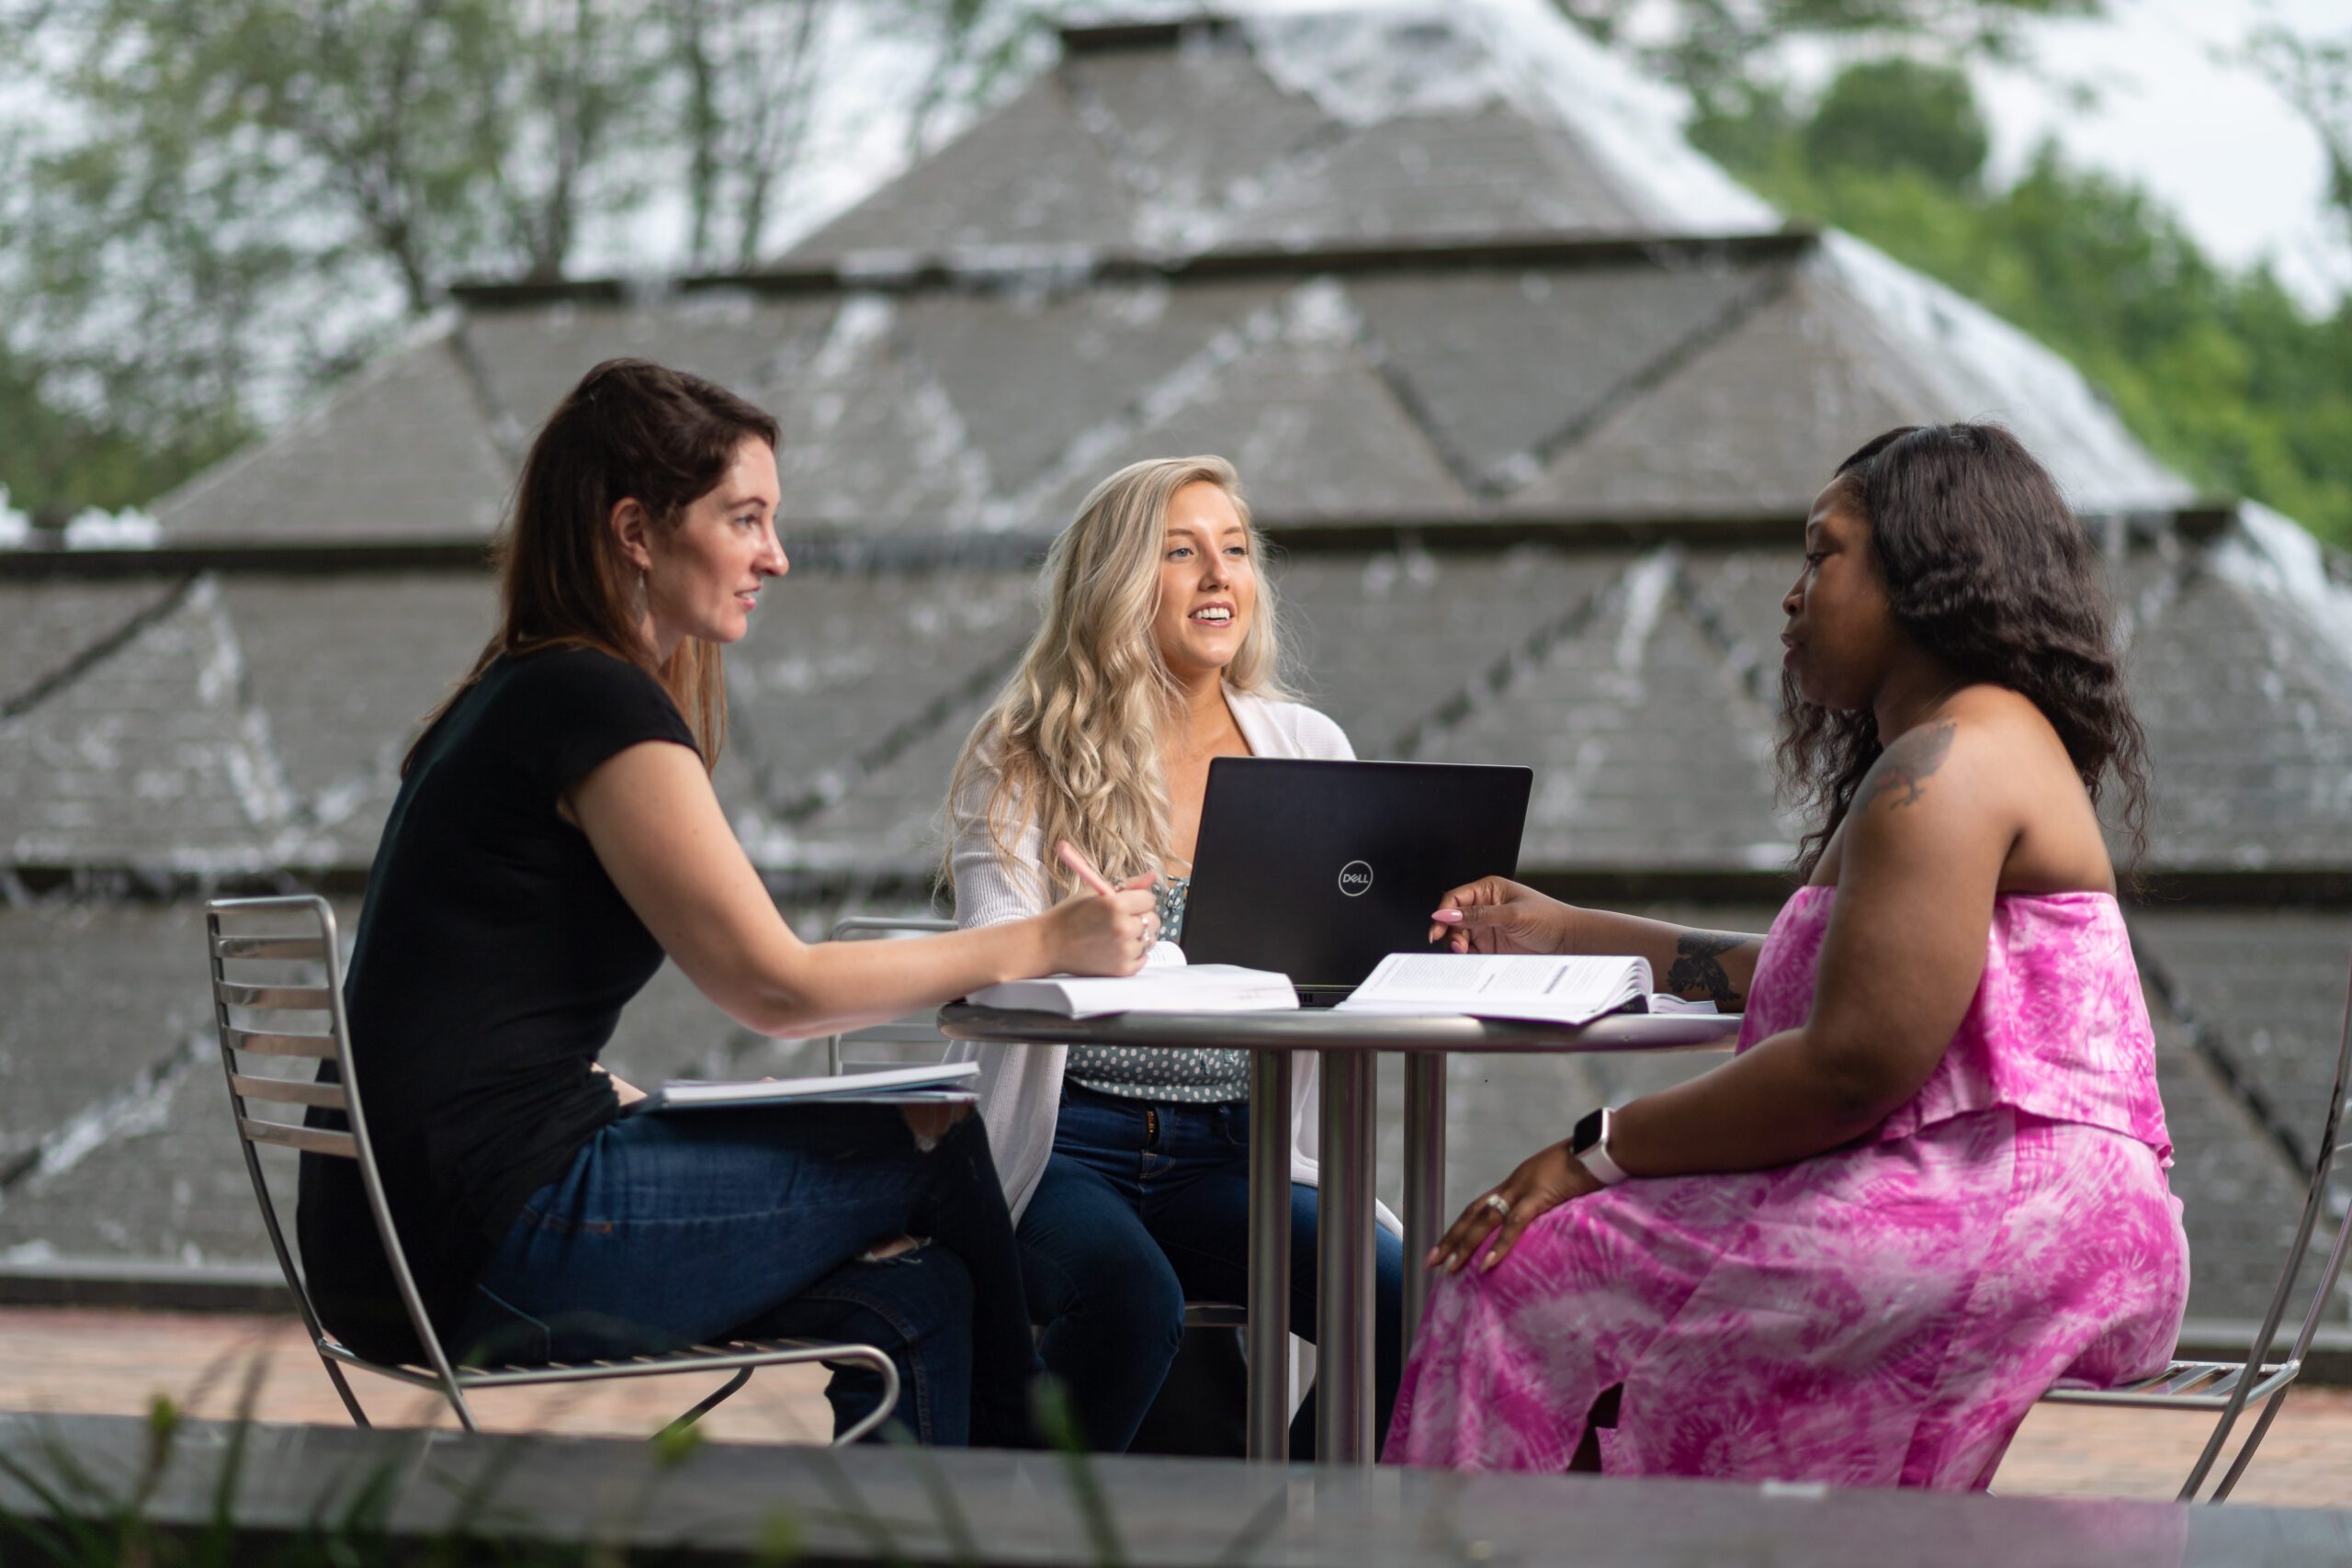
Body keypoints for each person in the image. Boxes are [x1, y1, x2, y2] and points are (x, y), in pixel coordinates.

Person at [295, 358, 1156, 1448]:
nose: (775, 557)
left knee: (919, 1299)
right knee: (936, 1139)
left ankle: (941, 1520)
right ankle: (1032, 1503)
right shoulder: (592, 704)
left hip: (383, 1248)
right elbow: (777, 989)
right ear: (637, 532)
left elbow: (470, 1017)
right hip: (486, 1246)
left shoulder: (508, 695)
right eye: (744, 518)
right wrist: (1043, 939)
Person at [1385, 423, 2188, 1490]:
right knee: (1570, 1281)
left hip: (1997, 1212)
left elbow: (1850, 1065)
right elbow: (1822, 978)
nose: (1792, 593)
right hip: (2024, 1207)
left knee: (1512, 1269)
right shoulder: (1964, 746)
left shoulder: (1945, 769)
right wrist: (1563, 929)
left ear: (1921, 572)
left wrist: (1589, 1150)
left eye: (1823, 553)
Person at [943, 455, 1406, 1457]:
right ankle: (1021, 1531)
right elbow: (995, 962)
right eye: (1180, 553)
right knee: (1128, 1302)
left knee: (1398, 1295)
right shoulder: (1019, 750)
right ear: (1115, 582)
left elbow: (1338, 966)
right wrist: (1077, 943)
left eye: (1235, 551)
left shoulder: (1305, 746)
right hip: (1067, 1145)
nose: (1218, 576)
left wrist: (1416, 935)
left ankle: (1277, 1526)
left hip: (1233, 1148)